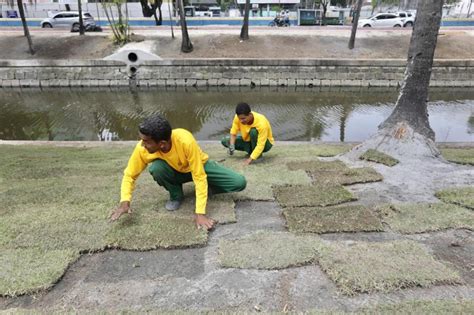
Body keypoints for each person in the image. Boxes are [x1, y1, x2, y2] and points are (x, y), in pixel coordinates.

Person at [110, 114, 247, 230]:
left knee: (239, 182)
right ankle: (176, 195)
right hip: (174, 171)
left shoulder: (185, 140)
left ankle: (210, 188)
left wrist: (200, 213)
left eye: (146, 141)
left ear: (162, 143)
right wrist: (125, 201)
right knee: (156, 168)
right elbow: (130, 175)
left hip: (199, 166)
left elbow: (199, 176)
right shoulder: (142, 149)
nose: (142, 145)